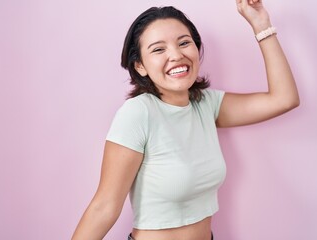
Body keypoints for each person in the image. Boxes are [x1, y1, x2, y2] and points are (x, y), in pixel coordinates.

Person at [72, 0, 299, 239]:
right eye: (158, 49)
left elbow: (284, 99)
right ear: (140, 66)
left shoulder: (206, 105)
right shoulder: (137, 114)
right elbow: (104, 207)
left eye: (184, 43)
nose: (176, 55)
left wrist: (261, 25)